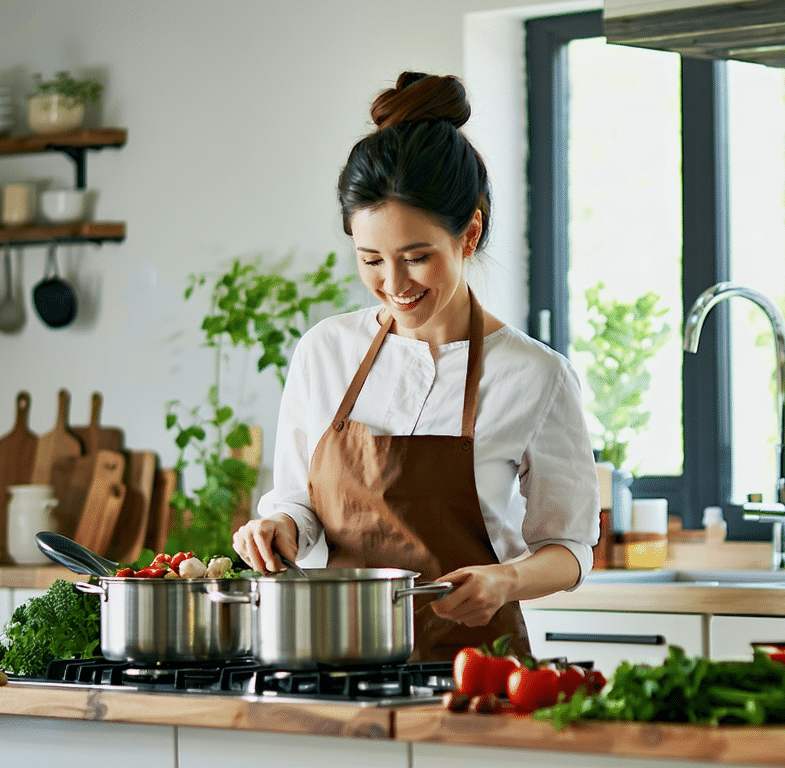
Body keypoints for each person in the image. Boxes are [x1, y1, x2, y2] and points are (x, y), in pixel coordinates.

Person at [232, 71, 600, 661]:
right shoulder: (324, 353)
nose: (394, 285)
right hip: (332, 663)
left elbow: (570, 547)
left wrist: (504, 580)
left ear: (469, 234)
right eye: (371, 259)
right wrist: (277, 528)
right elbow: (295, 502)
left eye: (417, 257)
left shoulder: (535, 376)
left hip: (476, 673)